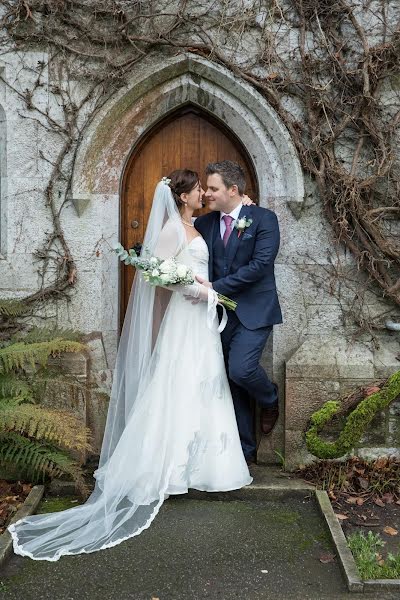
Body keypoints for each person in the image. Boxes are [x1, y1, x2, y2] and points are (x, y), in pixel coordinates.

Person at [8, 170, 253, 561]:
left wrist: (243, 213)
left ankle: (207, 467)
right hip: (185, 317)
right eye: (198, 191)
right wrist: (195, 287)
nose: (204, 194)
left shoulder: (197, 225)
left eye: (208, 190)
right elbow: (157, 273)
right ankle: (168, 469)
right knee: (178, 383)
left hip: (201, 321)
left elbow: (228, 228)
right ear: (183, 197)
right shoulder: (173, 229)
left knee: (206, 384)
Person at [192, 161, 282, 465]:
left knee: (241, 370)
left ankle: (270, 398)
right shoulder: (204, 224)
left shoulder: (264, 219)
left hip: (256, 311)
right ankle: (245, 452)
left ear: (234, 190)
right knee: (232, 383)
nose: (207, 194)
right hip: (220, 316)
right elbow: (177, 228)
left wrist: (215, 287)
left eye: (214, 189)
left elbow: (260, 266)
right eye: (206, 188)